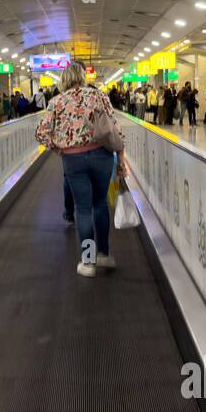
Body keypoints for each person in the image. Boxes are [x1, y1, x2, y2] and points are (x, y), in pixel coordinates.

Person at [35, 62, 131, 277]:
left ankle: (88, 262)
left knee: (83, 209)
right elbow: (116, 129)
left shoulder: (56, 102)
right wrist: (122, 159)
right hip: (102, 156)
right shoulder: (99, 96)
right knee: (100, 204)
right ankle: (104, 255)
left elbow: (41, 133)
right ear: (82, 77)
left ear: (64, 80)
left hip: (73, 160)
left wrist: (59, 149)